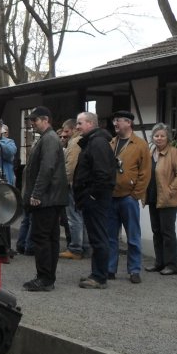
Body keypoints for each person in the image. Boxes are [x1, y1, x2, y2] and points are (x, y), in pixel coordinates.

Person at [21, 106, 69, 292]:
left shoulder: (49, 139)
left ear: (45, 119)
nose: (32, 123)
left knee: (42, 238)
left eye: (35, 120)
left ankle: (44, 278)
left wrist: (36, 194)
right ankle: (47, 277)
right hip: (52, 197)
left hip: (47, 198)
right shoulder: (49, 138)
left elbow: (47, 168)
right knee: (50, 238)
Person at [73, 112, 116, 289]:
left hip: (96, 199)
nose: (77, 127)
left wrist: (91, 195)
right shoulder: (94, 141)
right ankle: (97, 273)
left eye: (80, 123)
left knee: (99, 237)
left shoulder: (97, 143)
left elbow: (103, 174)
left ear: (91, 123)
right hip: (93, 198)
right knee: (96, 237)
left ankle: (99, 277)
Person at [108, 110, 152, 284]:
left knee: (133, 237)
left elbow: (146, 172)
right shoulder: (112, 142)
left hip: (128, 198)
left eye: (118, 121)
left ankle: (134, 270)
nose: (115, 124)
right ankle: (110, 269)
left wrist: (135, 195)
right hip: (112, 196)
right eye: (114, 121)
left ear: (128, 123)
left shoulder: (140, 144)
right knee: (111, 237)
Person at [144, 123, 177, 275]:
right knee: (156, 231)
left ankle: (171, 265)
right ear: (153, 137)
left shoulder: (174, 152)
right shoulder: (150, 152)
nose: (159, 138)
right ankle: (159, 262)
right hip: (152, 197)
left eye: (162, 135)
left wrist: (171, 189)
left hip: (168, 199)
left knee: (167, 232)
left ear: (167, 137)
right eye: (156, 136)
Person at [58, 118, 88, 260]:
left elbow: (71, 165)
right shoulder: (80, 141)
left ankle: (76, 248)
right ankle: (85, 246)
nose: (65, 134)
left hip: (73, 184)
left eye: (67, 131)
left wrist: (66, 182)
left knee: (74, 217)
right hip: (81, 184)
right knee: (82, 217)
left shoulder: (75, 143)